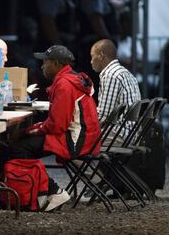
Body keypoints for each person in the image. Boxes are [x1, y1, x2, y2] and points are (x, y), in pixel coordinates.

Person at [8, 45, 101, 211]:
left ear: (57, 64)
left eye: (45, 62)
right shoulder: (73, 78)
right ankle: (39, 193)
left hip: (75, 141)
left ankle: (51, 191)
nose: (42, 66)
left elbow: (56, 125)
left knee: (18, 148)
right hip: (84, 137)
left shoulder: (64, 84)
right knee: (21, 144)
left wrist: (25, 131)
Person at [77, 0, 122, 100]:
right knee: (96, 82)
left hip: (96, 47)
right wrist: (108, 41)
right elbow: (95, 18)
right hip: (96, 47)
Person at [90, 39, 141, 146]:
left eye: (92, 56)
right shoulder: (125, 72)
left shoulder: (110, 75)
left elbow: (104, 116)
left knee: (75, 139)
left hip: (120, 133)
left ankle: (89, 163)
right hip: (132, 132)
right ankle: (95, 163)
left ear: (101, 56)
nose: (91, 61)